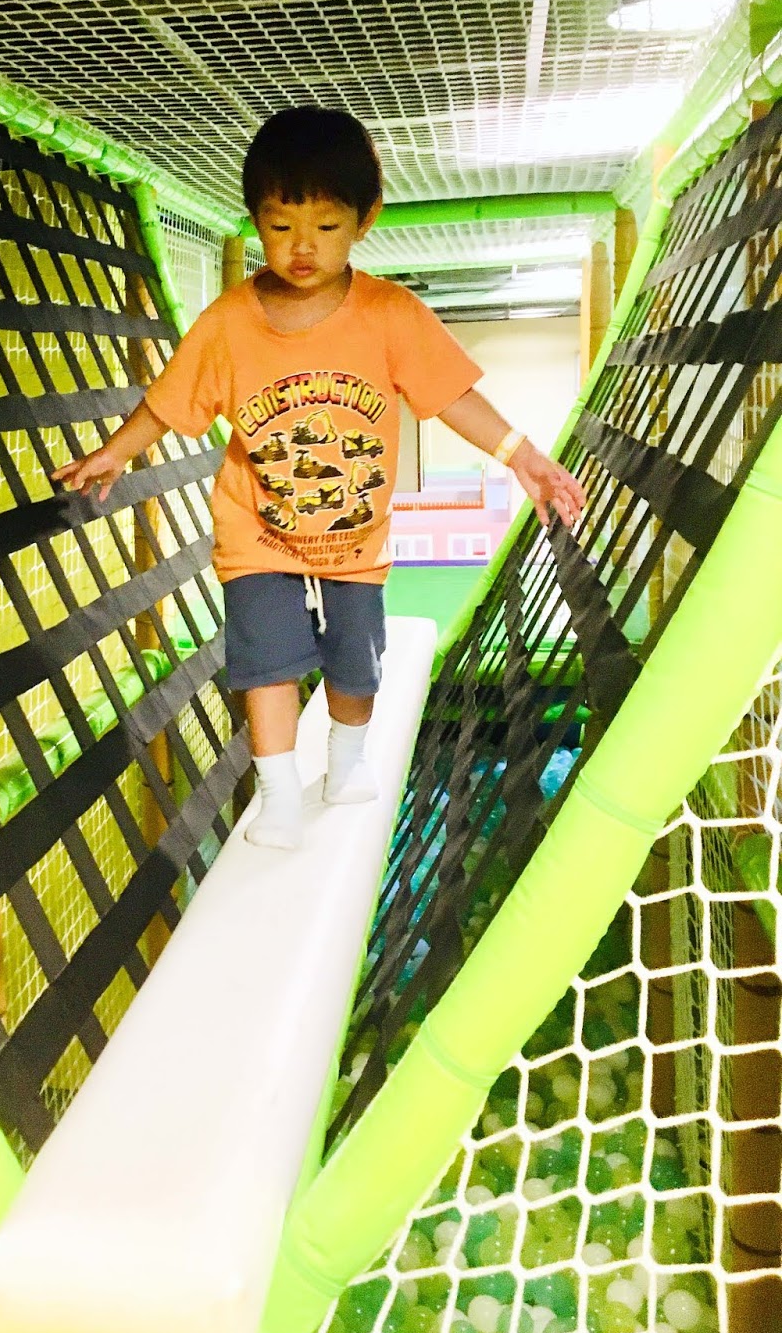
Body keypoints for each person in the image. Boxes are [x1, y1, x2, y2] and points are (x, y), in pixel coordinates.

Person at [53, 108, 585, 850]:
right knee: (264, 664)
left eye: (327, 227)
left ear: (366, 219)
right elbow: (169, 402)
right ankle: (278, 795)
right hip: (258, 531)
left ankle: (347, 757)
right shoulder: (229, 323)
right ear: (255, 220)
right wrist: (115, 452)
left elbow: (452, 396)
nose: (302, 247)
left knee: (355, 668)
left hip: (352, 537)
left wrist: (521, 453)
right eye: (280, 226)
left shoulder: (389, 314)